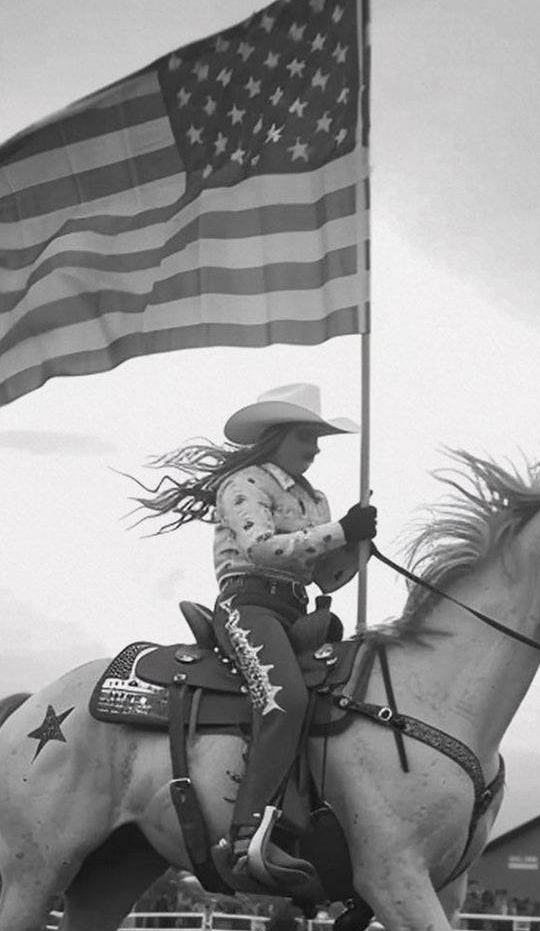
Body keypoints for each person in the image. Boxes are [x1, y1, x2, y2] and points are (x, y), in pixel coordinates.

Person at [129, 382, 375, 893]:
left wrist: (357, 545)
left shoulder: (316, 497)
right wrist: (339, 533)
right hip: (248, 606)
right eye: (308, 436)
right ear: (278, 437)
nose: (316, 448)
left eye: (318, 438)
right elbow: (261, 548)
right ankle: (245, 836)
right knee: (283, 700)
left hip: (298, 612)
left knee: (345, 702)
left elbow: (325, 578)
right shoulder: (244, 483)